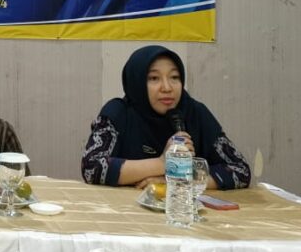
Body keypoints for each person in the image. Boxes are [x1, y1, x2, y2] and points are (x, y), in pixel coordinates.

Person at [81, 44, 250, 190]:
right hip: (123, 211)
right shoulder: (118, 112)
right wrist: (162, 163)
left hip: (182, 210)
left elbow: (240, 170)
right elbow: (92, 168)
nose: (167, 88)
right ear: (137, 81)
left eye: (174, 77)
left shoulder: (195, 112)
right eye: (154, 78)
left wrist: (178, 182)